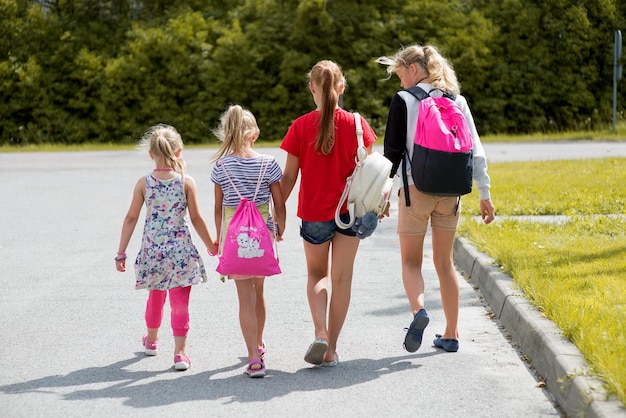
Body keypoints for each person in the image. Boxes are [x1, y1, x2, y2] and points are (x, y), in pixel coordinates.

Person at [376, 45, 496, 353]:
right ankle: (452, 334)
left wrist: (382, 196)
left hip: (416, 191)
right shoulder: (458, 100)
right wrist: (485, 193)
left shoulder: (403, 101)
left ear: (414, 69)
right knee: (445, 264)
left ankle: (420, 311)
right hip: (451, 194)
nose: (400, 82)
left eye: (400, 74)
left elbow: (391, 156)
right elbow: (475, 151)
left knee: (410, 261)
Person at [280, 60, 378, 367]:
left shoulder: (299, 126)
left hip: (314, 214)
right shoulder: (358, 124)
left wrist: (274, 214)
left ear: (312, 87)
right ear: (341, 87)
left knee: (316, 274)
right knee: (342, 279)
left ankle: (320, 332)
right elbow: (372, 174)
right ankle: (331, 349)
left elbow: (288, 179)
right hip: (351, 213)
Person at [115, 124, 217, 371]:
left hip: (153, 251)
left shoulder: (144, 183)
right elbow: (196, 218)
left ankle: (151, 341)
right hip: (180, 252)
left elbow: (130, 218)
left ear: (151, 153)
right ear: (179, 151)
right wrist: (211, 245)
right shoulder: (186, 182)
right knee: (180, 302)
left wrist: (121, 252)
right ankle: (180, 354)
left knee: (156, 296)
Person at [210, 104, 286, 378]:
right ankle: (259, 343)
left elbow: (218, 208)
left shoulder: (220, 167)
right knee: (260, 293)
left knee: (245, 298)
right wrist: (280, 227)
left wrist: (218, 239)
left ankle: (253, 356)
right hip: (262, 236)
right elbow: (279, 203)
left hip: (235, 239)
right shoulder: (269, 163)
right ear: (255, 133)